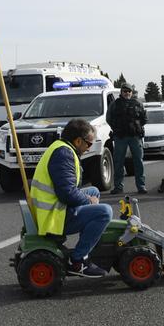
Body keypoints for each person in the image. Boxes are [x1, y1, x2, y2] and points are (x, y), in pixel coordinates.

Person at [30, 118, 112, 277]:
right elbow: (67, 193)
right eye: (88, 144)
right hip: (53, 217)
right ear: (78, 140)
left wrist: (89, 198)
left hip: (54, 207)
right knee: (104, 212)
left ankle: (86, 245)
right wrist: (89, 201)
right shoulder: (64, 154)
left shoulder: (61, 147)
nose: (89, 148)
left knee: (94, 191)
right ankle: (78, 261)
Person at [106, 83, 147, 194]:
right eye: (125, 91)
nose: (127, 93)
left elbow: (144, 118)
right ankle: (118, 187)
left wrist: (136, 126)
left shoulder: (138, 103)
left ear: (131, 92)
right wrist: (117, 128)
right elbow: (109, 118)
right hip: (120, 137)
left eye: (129, 91)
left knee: (138, 161)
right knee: (118, 162)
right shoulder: (115, 104)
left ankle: (141, 186)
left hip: (135, 136)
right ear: (121, 92)